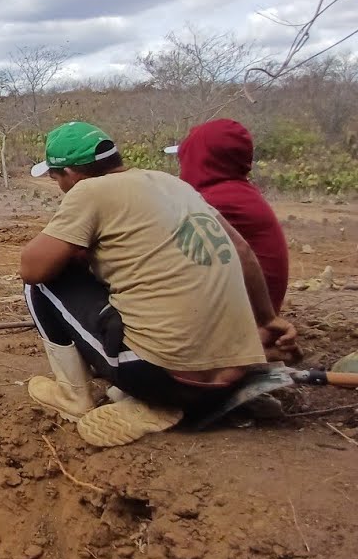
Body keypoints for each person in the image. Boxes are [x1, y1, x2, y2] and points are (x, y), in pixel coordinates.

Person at [21, 122, 297, 447]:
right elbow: (241, 251)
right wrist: (267, 319)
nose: (59, 185)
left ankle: (73, 396)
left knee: (43, 284)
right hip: (237, 371)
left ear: (69, 172)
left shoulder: (89, 191)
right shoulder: (174, 184)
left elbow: (31, 267)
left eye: (56, 178)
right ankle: (200, 396)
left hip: (167, 379)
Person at [175, 119, 289, 313]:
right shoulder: (238, 193)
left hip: (246, 322)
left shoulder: (217, 201)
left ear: (201, 158)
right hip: (250, 311)